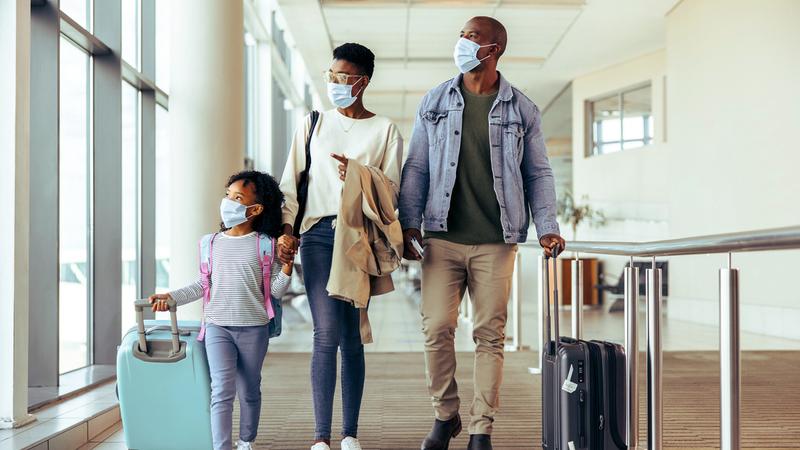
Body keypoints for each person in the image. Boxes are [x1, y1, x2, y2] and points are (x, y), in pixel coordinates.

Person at [398, 16, 566, 450]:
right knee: (436, 328)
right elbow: (416, 166)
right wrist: (408, 222)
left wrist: (547, 227)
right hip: (441, 237)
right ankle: (445, 414)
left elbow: (538, 173)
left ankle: (480, 428)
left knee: (490, 335)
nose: (462, 42)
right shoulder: (435, 100)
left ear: (494, 50)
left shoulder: (522, 109)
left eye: (471, 37)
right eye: (461, 35)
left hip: (497, 240)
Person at [278, 43, 403, 450]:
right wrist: (285, 230)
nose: (333, 83)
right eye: (330, 75)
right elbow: (290, 184)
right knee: (324, 332)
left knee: (351, 335)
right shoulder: (313, 122)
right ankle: (321, 437)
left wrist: (359, 175)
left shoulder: (384, 129)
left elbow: (393, 191)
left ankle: (349, 433)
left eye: (342, 77)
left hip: (359, 237)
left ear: (362, 81)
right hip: (317, 236)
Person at [148, 171, 293, 450]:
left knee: (249, 390)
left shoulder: (266, 245)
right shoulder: (209, 243)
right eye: (228, 195)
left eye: (238, 198)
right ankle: (222, 447)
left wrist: (287, 267)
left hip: (254, 328)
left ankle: (246, 441)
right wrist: (171, 298)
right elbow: (202, 285)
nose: (229, 202)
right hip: (217, 327)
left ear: (256, 209)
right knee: (221, 391)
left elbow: (275, 291)